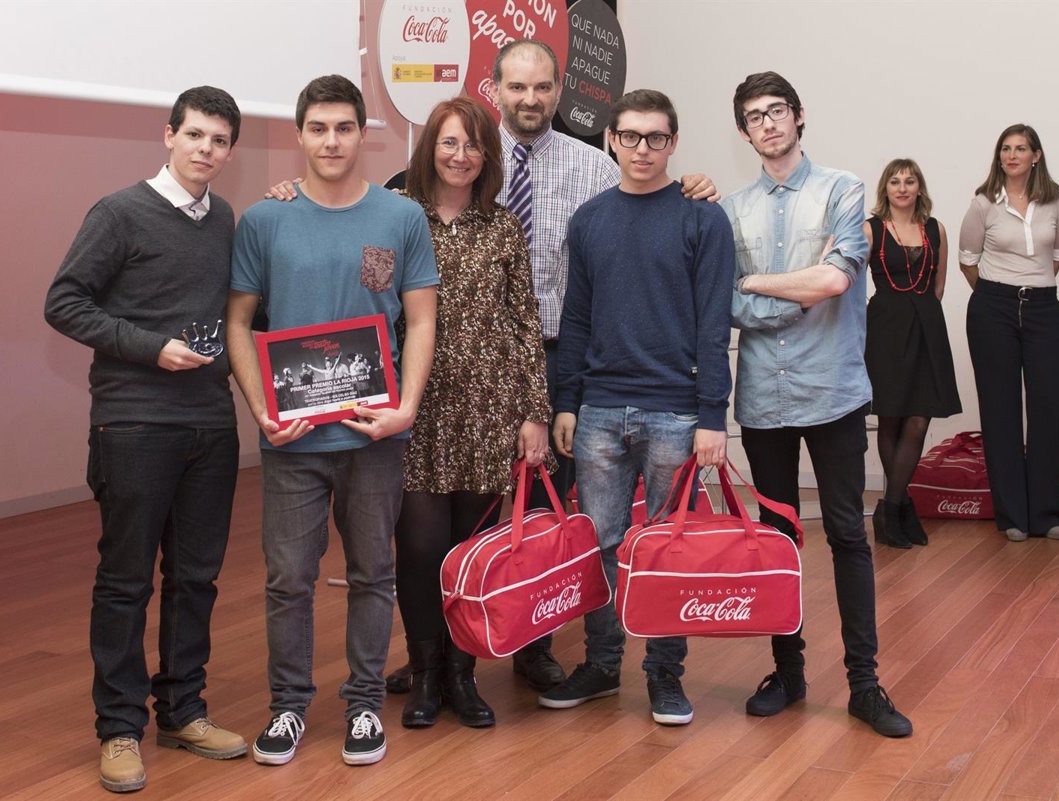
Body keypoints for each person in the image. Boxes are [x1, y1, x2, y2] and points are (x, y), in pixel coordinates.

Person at [265, 40, 719, 694]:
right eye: (516, 87)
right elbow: (371, 291)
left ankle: (526, 646)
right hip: (421, 390)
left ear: (558, 90)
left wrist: (693, 186)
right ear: (494, 89)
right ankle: (433, 662)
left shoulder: (588, 171)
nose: (529, 99)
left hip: (543, 368)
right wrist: (293, 197)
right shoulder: (399, 207)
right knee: (426, 540)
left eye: (542, 87)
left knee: (540, 522)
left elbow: (641, 201)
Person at [226, 75, 438, 768]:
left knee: (374, 573)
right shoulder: (265, 220)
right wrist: (262, 409)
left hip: (375, 435)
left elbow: (420, 319)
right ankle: (288, 707)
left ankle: (364, 705)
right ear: (300, 135)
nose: (332, 140)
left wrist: (406, 407)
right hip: (292, 440)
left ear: (362, 134)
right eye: (318, 128)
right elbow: (237, 322)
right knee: (288, 579)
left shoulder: (401, 217)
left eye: (344, 127)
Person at [44, 86, 248, 793]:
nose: (205, 150)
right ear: (168, 135)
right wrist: (148, 346)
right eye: (194, 135)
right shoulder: (118, 212)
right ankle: (119, 728)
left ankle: (183, 711)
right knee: (126, 580)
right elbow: (63, 301)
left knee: (196, 578)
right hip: (133, 423)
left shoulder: (225, 218)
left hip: (211, 426)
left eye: (218, 140)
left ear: (229, 150)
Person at [717, 71, 912, 737]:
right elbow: (725, 302)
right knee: (776, 542)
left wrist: (756, 283)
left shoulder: (842, 189)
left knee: (849, 534)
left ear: (799, 116)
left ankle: (865, 684)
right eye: (755, 116)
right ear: (744, 132)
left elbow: (834, 281)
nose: (768, 123)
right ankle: (788, 672)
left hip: (833, 393)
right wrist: (786, 296)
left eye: (777, 110)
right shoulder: (732, 211)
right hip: (764, 399)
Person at [540, 89, 734, 726]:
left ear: (673, 142)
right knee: (597, 544)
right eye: (630, 136)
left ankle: (663, 674)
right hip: (598, 410)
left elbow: (714, 324)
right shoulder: (590, 220)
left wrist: (713, 416)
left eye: (655, 137)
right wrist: (567, 402)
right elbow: (576, 318)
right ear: (611, 141)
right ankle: (601, 665)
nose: (642, 149)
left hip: (676, 413)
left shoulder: (702, 220)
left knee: (666, 548)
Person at [395, 95, 554, 730]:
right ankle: (424, 674)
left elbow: (524, 322)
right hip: (416, 409)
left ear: (488, 155)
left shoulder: (502, 226)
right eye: (449, 143)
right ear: (429, 149)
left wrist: (534, 412)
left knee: (469, 551)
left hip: (490, 411)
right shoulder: (398, 216)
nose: (461, 156)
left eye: (473, 144)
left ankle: (462, 675)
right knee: (419, 548)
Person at [959, 124, 1059, 542]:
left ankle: (1046, 513)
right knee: (1000, 409)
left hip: (1043, 308)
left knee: (1051, 407)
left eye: (1020, 148)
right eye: (1005, 148)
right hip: (993, 308)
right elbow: (967, 260)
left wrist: (1031, 290)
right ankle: (1012, 517)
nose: (1011, 155)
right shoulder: (984, 202)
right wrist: (999, 296)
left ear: (1035, 156)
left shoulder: (1056, 199)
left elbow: (1056, 255)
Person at [864, 159, 961, 548]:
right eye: (895, 181)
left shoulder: (936, 229)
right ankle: (899, 509)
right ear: (885, 188)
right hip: (885, 328)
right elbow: (849, 279)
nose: (902, 187)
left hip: (926, 327)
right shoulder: (870, 229)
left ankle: (892, 507)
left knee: (919, 419)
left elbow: (938, 287)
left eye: (909, 181)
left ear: (919, 187)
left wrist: (921, 317)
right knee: (891, 418)